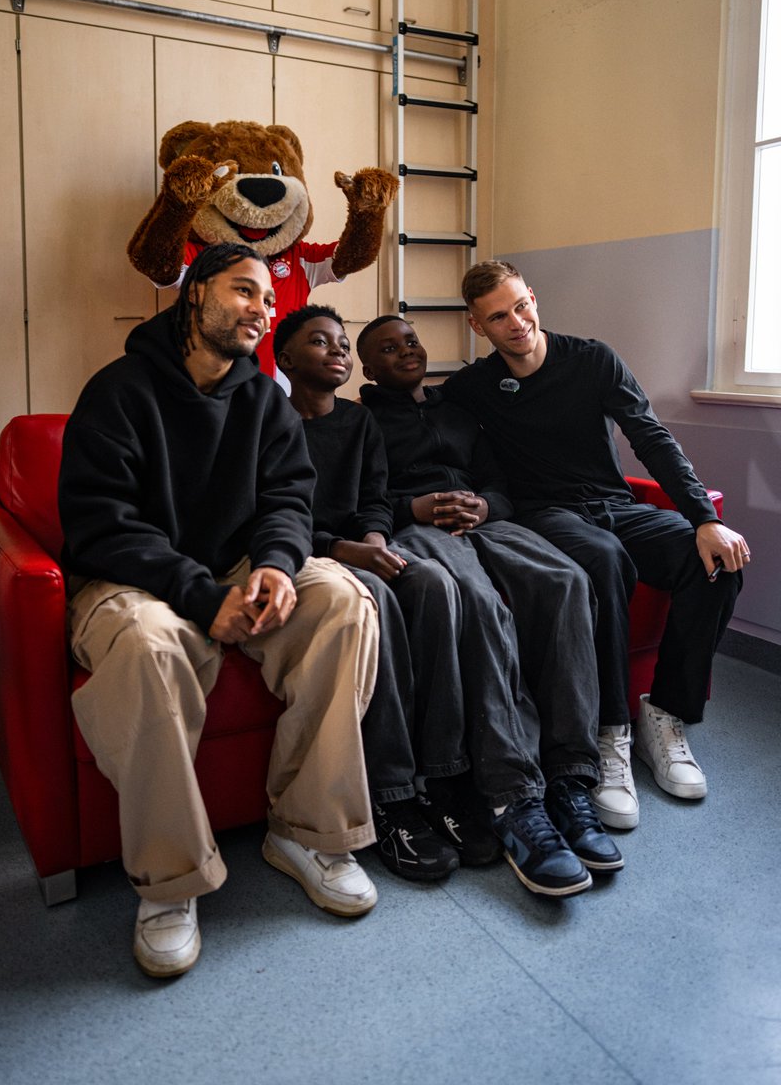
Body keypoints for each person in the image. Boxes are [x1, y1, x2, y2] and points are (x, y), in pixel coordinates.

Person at [58, 243, 381, 979]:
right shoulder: (118, 390)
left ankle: (308, 831)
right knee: (146, 645)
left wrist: (273, 564)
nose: (261, 311)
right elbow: (102, 526)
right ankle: (170, 883)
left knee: (343, 601)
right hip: (133, 578)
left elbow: (289, 500)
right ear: (196, 293)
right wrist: (204, 598)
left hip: (237, 567)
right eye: (244, 292)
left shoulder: (266, 400)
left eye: (268, 301)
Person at [443, 259, 749, 830]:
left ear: (533, 297)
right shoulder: (472, 388)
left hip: (617, 506)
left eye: (521, 305)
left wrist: (704, 518)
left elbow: (651, 438)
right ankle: (611, 735)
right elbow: (434, 438)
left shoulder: (593, 360)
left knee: (715, 561)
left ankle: (665, 714)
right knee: (604, 561)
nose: (517, 322)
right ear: (476, 326)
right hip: (546, 517)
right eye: (498, 317)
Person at [357, 314, 624, 898]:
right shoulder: (363, 421)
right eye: (388, 348)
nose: (407, 351)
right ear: (367, 368)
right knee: (478, 601)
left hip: (485, 522)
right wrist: (419, 508)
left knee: (567, 580)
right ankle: (513, 798)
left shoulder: (458, 412)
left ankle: (571, 780)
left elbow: (500, 482)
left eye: (411, 341)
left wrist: (486, 505)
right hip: (421, 531)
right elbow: (365, 500)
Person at [274, 303, 499, 883]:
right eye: (320, 343)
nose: (337, 351)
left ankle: (444, 778)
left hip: (361, 544)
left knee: (433, 583)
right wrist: (347, 550)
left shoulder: (358, 422)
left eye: (341, 344)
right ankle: (392, 794)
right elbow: (271, 516)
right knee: (377, 596)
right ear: (286, 359)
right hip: (316, 555)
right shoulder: (267, 421)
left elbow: (376, 495)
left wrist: (375, 535)